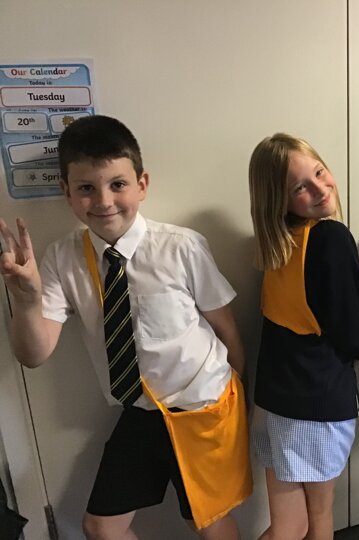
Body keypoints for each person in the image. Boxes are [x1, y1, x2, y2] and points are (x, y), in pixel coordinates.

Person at [0, 115, 252, 540]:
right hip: (140, 411)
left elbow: (225, 326)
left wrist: (239, 394)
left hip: (201, 407)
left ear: (142, 184)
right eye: (86, 188)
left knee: (207, 520)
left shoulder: (181, 246)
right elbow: (33, 354)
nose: (104, 201)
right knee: (100, 526)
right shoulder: (63, 258)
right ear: (66, 191)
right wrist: (26, 300)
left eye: (117, 184)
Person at [247, 133, 359, 540]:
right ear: (279, 200)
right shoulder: (329, 237)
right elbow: (357, 333)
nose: (321, 189)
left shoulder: (278, 243)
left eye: (320, 173)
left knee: (288, 526)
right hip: (317, 402)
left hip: (274, 402)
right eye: (300, 187)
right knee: (320, 518)